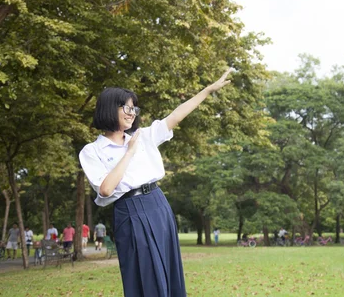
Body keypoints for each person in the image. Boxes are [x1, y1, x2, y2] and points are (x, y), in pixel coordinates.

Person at [79, 69, 232, 297]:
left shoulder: (144, 136)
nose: (132, 113)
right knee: (144, 275)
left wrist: (208, 90)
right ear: (110, 108)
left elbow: (176, 116)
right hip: (129, 211)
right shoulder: (92, 151)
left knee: (170, 271)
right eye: (127, 108)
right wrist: (129, 152)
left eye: (134, 108)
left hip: (158, 204)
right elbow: (106, 188)